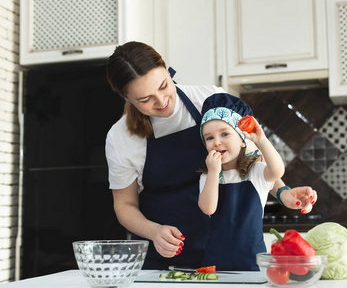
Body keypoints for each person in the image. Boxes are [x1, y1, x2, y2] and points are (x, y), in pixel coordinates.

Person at [105, 41, 317, 269]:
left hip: (224, 252)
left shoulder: (212, 101)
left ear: (167, 70)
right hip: (163, 257)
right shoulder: (121, 137)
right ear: (126, 98)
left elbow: (253, 159)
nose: (161, 101)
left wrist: (283, 191)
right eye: (145, 99)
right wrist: (154, 231)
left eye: (164, 85)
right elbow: (125, 205)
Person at [198, 94, 284, 270]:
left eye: (224, 134)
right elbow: (208, 208)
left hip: (253, 265)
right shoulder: (207, 178)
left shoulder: (256, 172)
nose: (216, 142)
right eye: (209, 138)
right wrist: (214, 172)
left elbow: (277, 171)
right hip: (215, 265)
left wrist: (261, 141)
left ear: (243, 141)